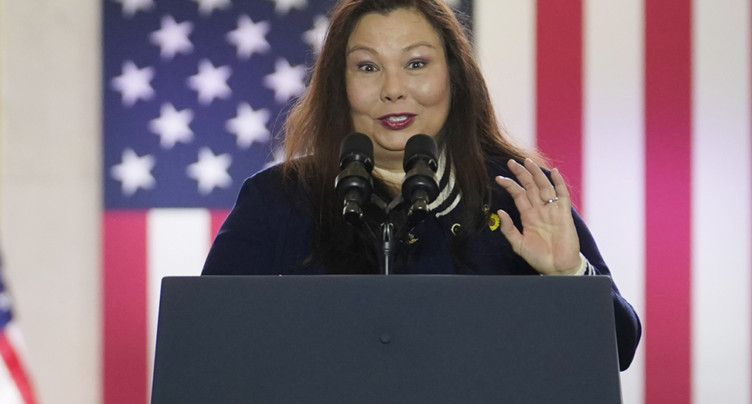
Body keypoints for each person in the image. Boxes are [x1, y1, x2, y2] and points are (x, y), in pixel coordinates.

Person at [202, 0, 641, 371]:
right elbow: (204, 347)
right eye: (367, 67)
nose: (394, 89)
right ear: (340, 84)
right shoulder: (276, 200)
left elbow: (618, 351)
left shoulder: (517, 194)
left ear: (454, 74)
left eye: (416, 63)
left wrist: (569, 276)